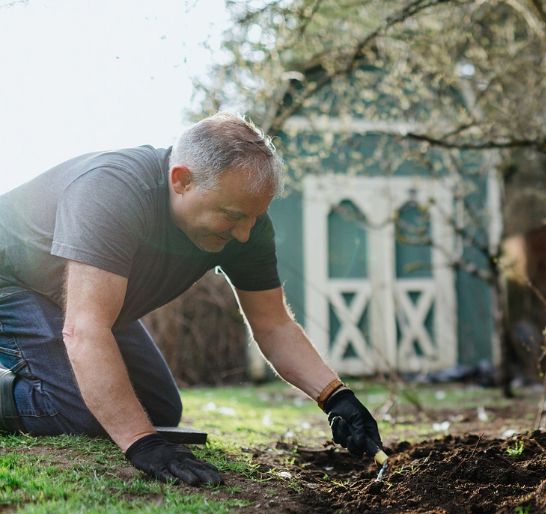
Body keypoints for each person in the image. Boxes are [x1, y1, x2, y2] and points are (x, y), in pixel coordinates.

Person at [0, 112, 384, 486]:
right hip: (12, 281)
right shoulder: (113, 190)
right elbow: (86, 328)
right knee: (83, 411)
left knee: (160, 410)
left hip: (70, 297)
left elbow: (273, 323)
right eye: (234, 216)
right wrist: (143, 444)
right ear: (181, 180)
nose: (245, 234)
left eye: (254, 218)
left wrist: (335, 397)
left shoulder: (243, 221)